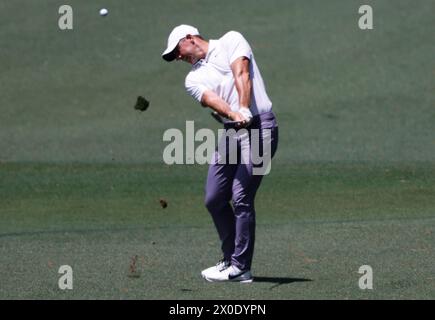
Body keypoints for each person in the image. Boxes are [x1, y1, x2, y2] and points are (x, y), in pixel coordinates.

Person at [162, 25, 278, 282]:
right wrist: (234, 114)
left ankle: (241, 267)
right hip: (232, 131)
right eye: (174, 57)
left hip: (261, 128)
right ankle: (229, 259)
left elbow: (242, 73)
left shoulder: (231, 40)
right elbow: (213, 100)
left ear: (190, 38)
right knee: (214, 197)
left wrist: (245, 109)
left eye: (177, 51)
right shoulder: (192, 78)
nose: (178, 58)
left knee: (241, 195)